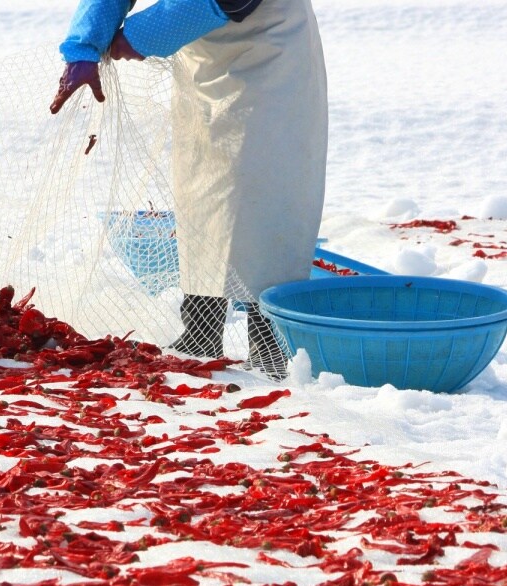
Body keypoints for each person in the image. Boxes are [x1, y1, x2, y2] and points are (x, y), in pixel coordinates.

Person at [50, 0, 328, 379]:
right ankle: (200, 330)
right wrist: (84, 44)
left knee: (267, 188)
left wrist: (142, 34)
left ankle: (270, 340)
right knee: (204, 191)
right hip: (202, 56)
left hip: (271, 48)